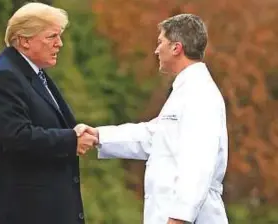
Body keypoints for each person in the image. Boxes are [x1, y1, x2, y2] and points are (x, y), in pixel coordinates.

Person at [75, 14, 229, 224]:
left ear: (176, 48)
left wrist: (179, 217)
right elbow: (153, 136)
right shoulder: (184, 92)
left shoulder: (200, 94)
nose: (156, 50)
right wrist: (100, 136)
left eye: (160, 43)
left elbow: (199, 162)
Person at [0, 3, 97, 224]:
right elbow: (17, 137)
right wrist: (70, 140)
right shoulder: (5, 77)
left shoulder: (30, 73)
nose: (60, 43)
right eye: (52, 37)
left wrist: (72, 132)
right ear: (24, 40)